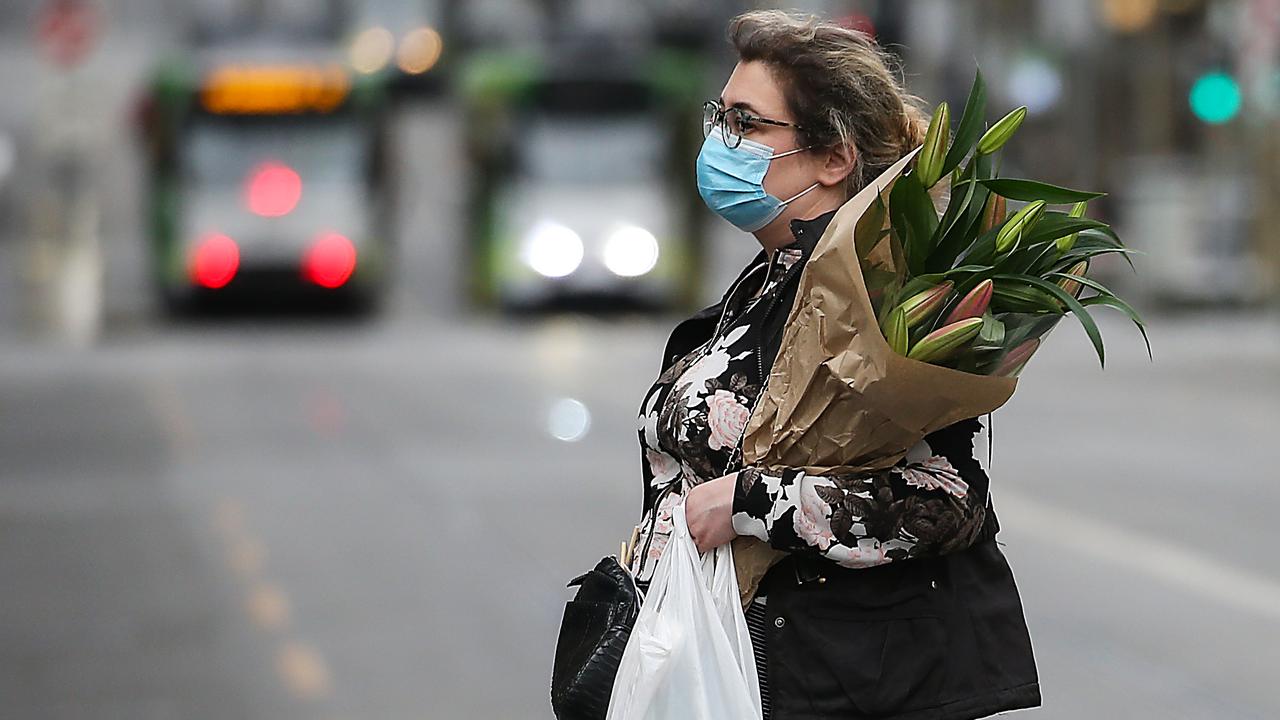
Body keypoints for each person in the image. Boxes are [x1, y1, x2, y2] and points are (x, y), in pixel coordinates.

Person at [625, 10, 1041, 719]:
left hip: (832, 683)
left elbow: (948, 504)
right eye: (718, 117)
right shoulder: (762, 287)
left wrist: (753, 503)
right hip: (724, 663)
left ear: (833, 158)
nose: (719, 142)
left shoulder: (886, 298)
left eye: (746, 124)